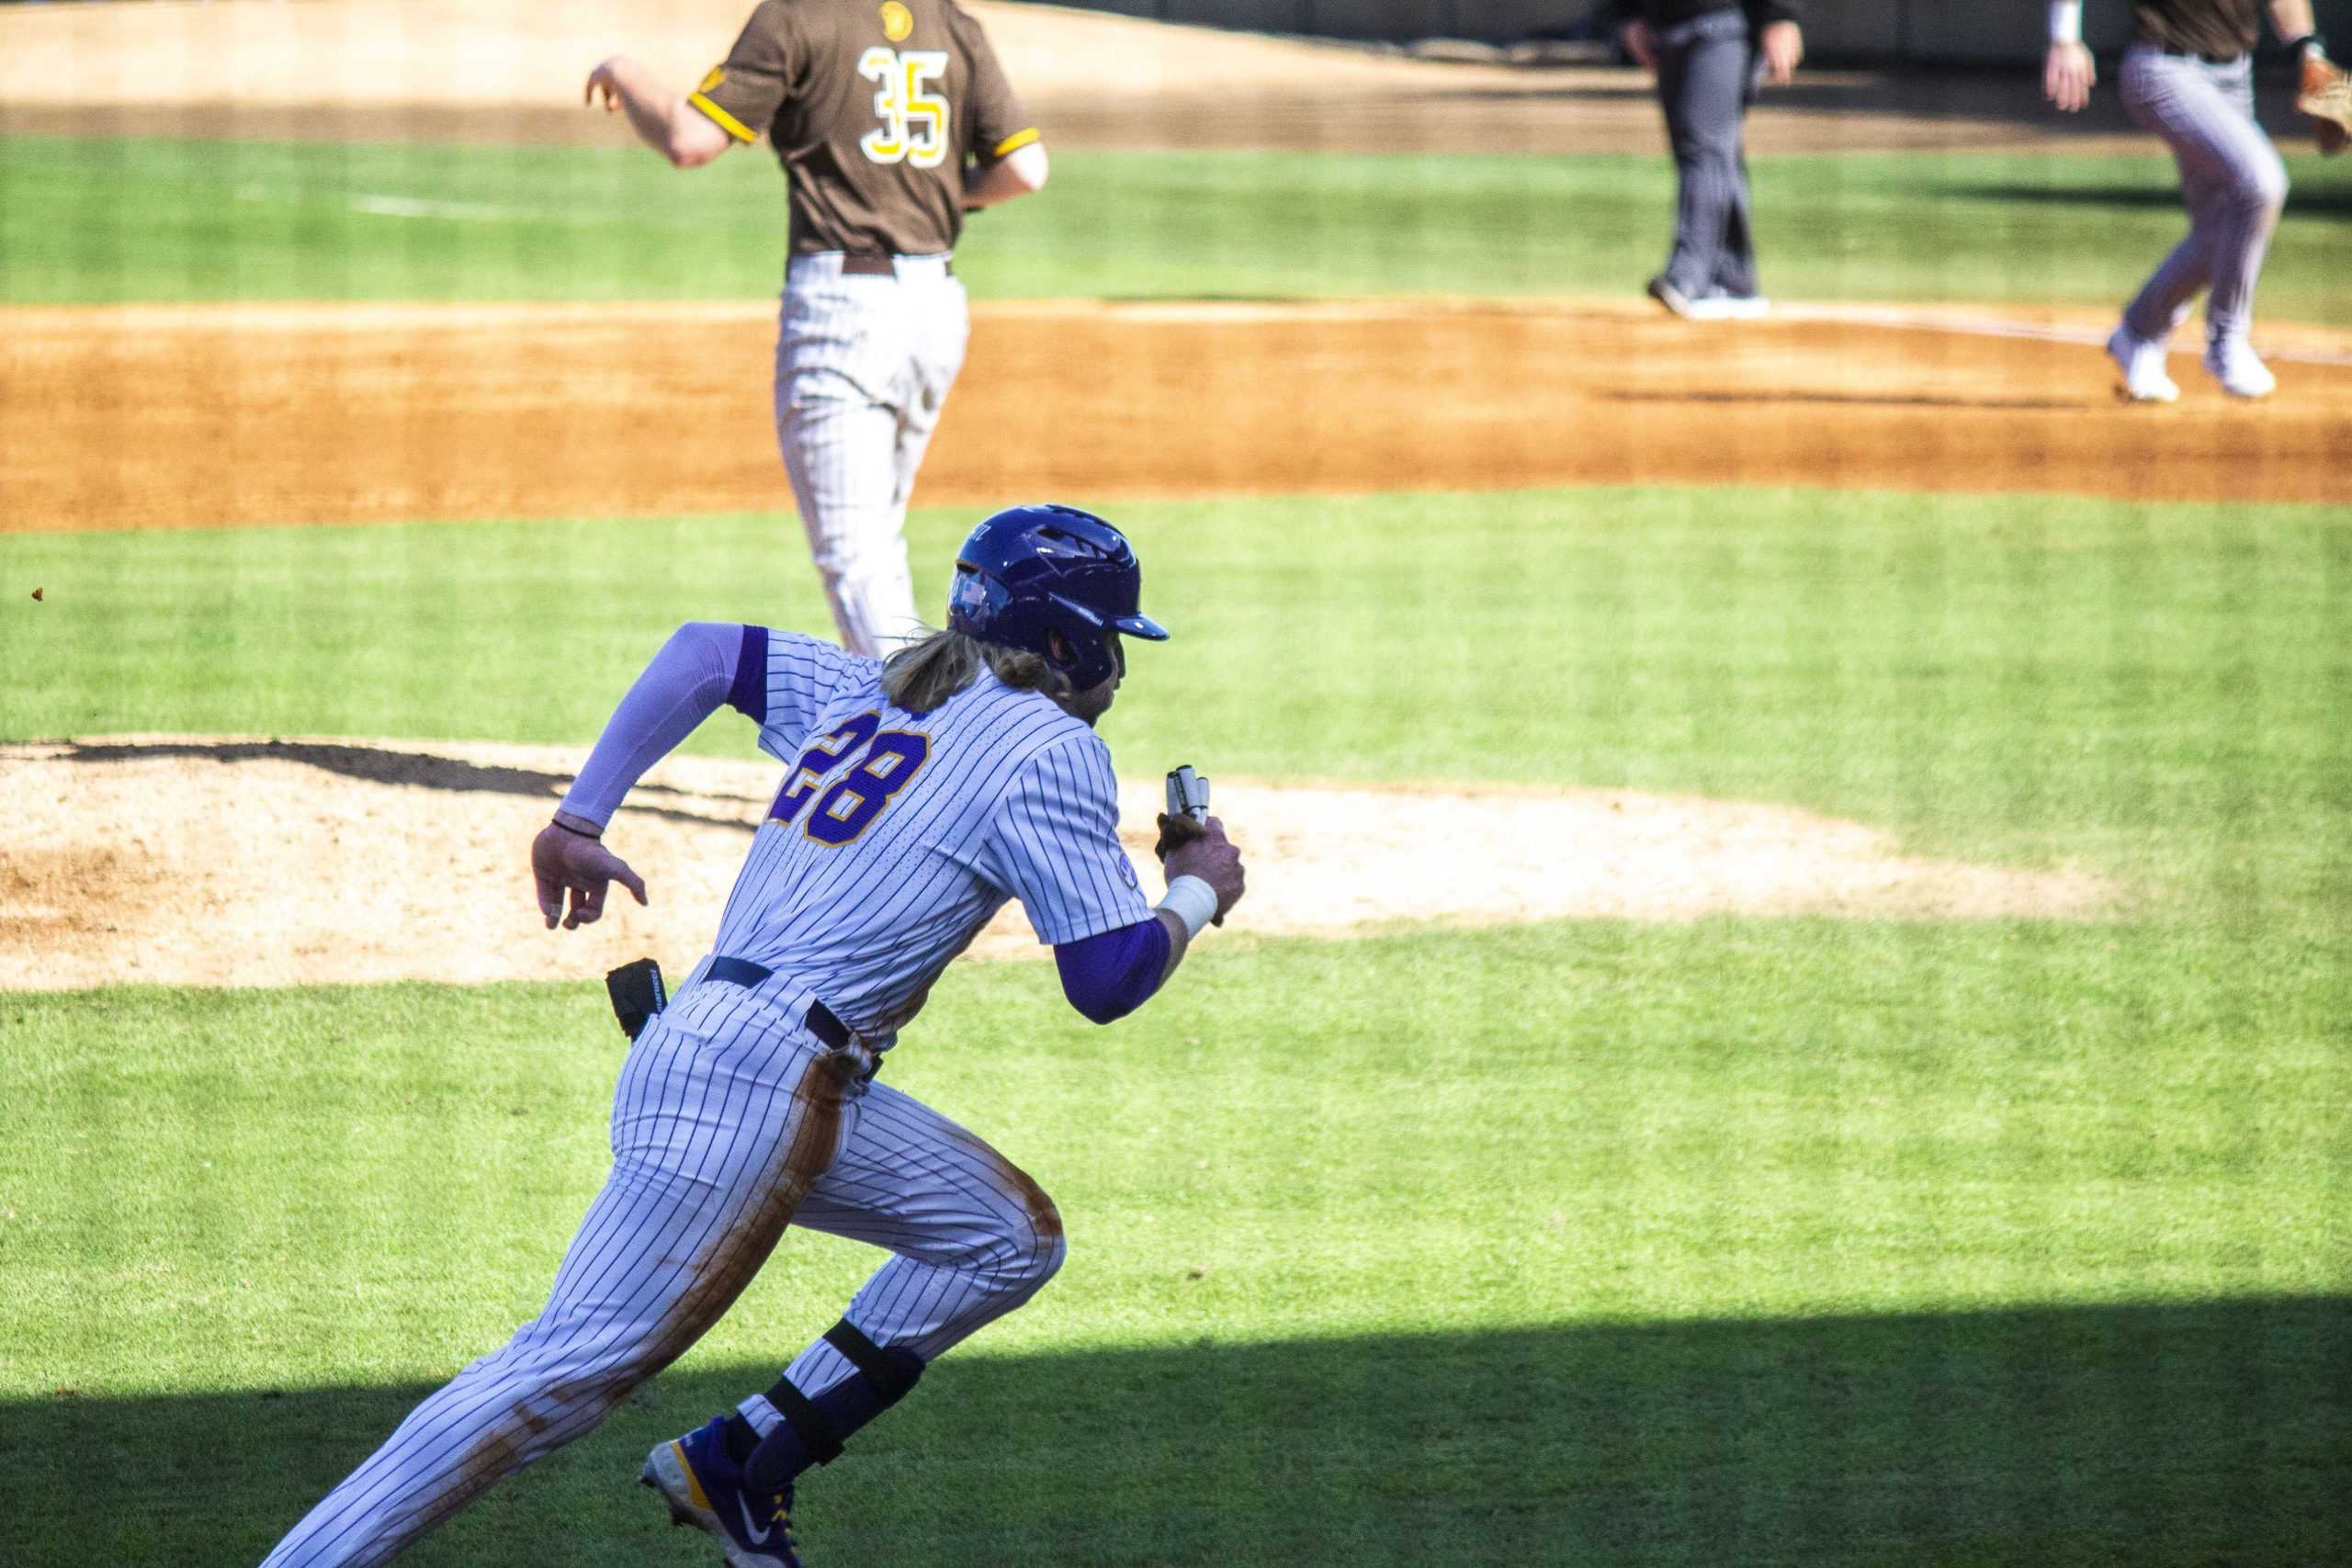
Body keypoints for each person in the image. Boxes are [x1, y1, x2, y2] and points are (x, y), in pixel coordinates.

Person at [257, 504, 1249, 1568]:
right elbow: (1106, 980)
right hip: (761, 1088)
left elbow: (703, 654)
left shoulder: (877, 689)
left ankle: (739, 1460)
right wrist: (1193, 892)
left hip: (743, 1055)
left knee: (1006, 1238)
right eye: (1112, 639)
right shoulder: (1050, 749)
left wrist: (579, 818)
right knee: (562, 1371)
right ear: (1066, 641)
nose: (1118, 668)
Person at [583, 2, 1049, 655]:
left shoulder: (800, 15)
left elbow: (690, 139)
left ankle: (928, 731)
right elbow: (1026, 170)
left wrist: (624, 71)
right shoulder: (951, 21)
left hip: (843, 313)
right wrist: (941, 192)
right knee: (876, 542)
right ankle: (925, 715)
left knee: (855, 556)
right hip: (935, 308)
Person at [2045, 0, 2331, 401]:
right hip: (2161, 69)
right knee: (2262, 182)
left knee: (2219, 232)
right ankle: (2227, 340)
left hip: (2235, 74)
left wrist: (2308, 50)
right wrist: (2065, 37)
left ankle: (2139, 332)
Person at [1617, 0, 1805, 321]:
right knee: (1710, 149)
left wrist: (1780, 16)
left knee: (1704, 147)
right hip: (1667, 25)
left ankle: (1687, 274)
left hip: (1729, 22)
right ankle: (1734, 279)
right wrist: (1629, 13)